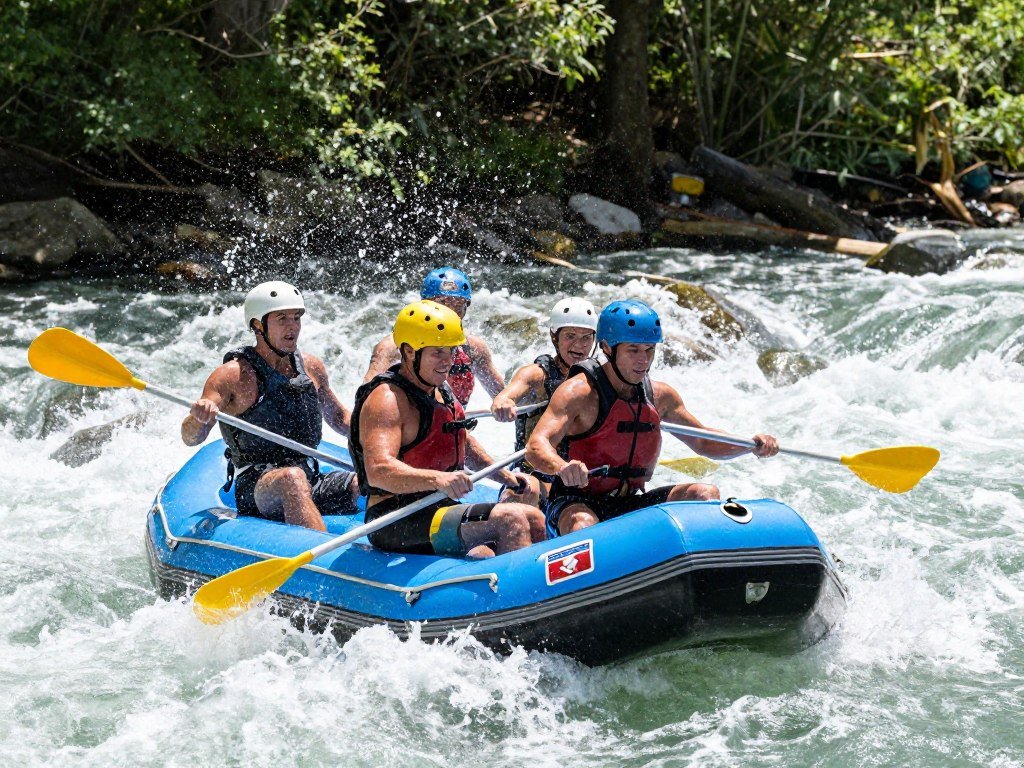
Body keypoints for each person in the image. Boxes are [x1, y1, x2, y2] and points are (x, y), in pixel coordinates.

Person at [525, 299, 779, 536]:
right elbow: (536, 446)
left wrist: (750, 445)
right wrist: (562, 467)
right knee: (584, 524)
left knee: (705, 493)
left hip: (632, 501)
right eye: (633, 350)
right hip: (575, 502)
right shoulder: (578, 392)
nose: (643, 360)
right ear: (606, 348)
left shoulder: (661, 396)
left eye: (649, 349)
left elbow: (704, 441)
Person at [350, 299, 546, 557]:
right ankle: (528, 597)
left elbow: (460, 440)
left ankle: (548, 591)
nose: (448, 362)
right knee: (510, 519)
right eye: (437, 352)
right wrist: (438, 479)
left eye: (451, 352)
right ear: (409, 351)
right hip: (395, 518)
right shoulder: (387, 399)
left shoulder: (439, 389)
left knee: (533, 518)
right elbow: (378, 471)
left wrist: (504, 477)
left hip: (438, 508)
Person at [181, 281, 358, 532]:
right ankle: (319, 562)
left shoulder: (311, 367)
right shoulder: (233, 376)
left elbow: (340, 419)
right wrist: (199, 418)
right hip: (257, 485)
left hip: (309, 476)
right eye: (282, 318)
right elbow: (190, 438)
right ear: (257, 325)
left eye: (296, 318)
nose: (292, 327)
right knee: (291, 478)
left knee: (366, 484)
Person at [490, 297, 598, 493]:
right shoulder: (538, 374)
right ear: (554, 337)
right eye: (570, 336)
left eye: (586, 337)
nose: (579, 345)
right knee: (520, 494)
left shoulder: (597, 379)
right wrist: (503, 402)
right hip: (535, 475)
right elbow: (508, 394)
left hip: (579, 477)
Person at [363, 266, 505, 405]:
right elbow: (365, 396)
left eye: (458, 306)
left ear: (466, 307)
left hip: (455, 426)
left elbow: (501, 396)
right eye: (442, 304)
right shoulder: (394, 346)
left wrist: (506, 403)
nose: (450, 312)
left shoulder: (475, 349)